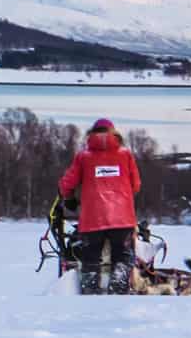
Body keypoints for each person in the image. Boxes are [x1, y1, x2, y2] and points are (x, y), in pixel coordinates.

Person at [58, 118, 143, 295]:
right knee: (123, 255)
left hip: (92, 219)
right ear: (114, 133)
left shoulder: (83, 157)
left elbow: (67, 184)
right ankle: (118, 284)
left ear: (92, 133)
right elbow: (136, 185)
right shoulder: (125, 155)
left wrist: (70, 198)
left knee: (90, 258)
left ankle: (90, 289)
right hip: (122, 218)